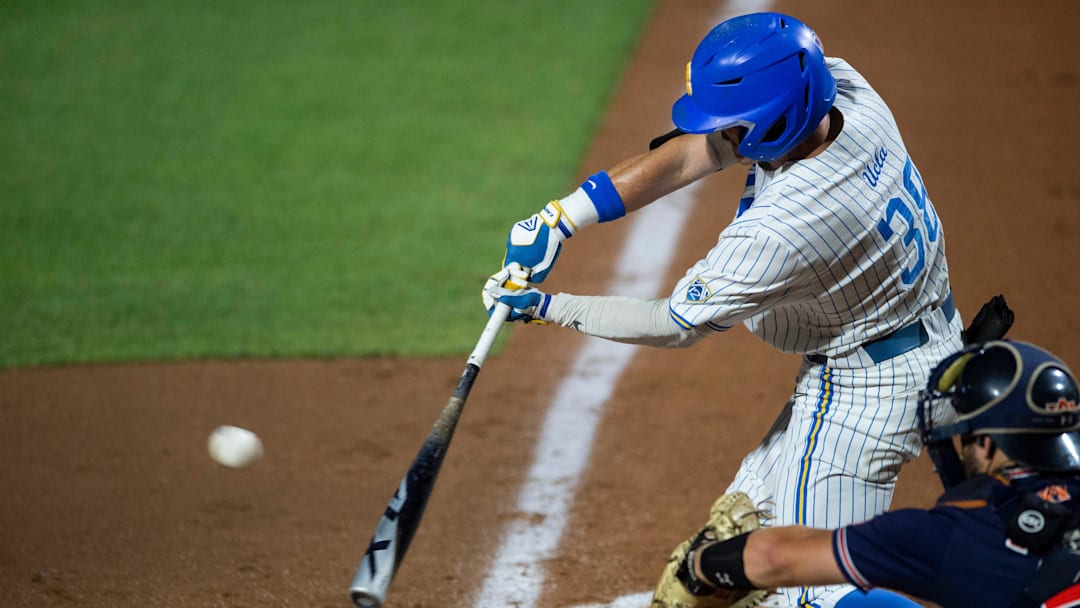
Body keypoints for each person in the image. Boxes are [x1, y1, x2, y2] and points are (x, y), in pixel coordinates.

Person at [483, 12, 967, 607]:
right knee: (727, 550)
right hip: (920, 341)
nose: (721, 135)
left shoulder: (789, 225)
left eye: (734, 124)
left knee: (806, 593)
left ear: (775, 122)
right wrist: (564, 217)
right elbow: (697, 152)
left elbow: (670, 323)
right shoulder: (845, 96)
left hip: (868, 395)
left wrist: (545, 307)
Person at [666, 340, 1080, 608]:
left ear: (988, 445)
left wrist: (699, 566)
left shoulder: (951, 534)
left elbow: (776, 559)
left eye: (967, 436)